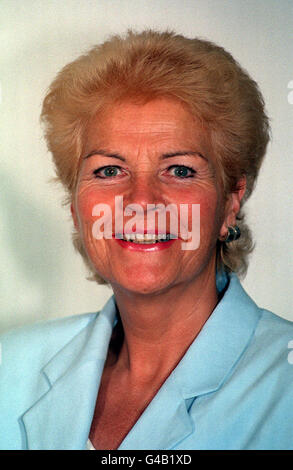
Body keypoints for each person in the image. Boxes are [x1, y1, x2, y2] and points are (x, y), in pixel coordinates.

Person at [1, 30, 293, 451]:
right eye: (108, 171)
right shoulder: (10, 364)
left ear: (230, 202)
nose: (140, 202)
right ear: (75, 205)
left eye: (179, 170)